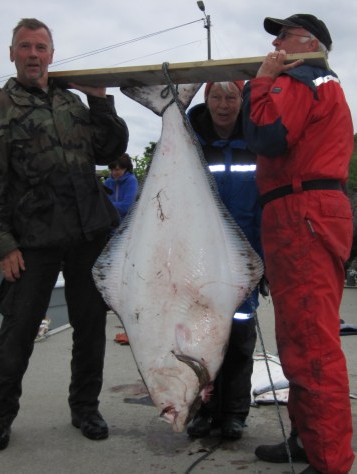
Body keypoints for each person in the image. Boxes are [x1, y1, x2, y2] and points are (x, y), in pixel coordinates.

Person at [0, 18, 128, 451]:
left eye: (41, 47)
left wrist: (100, 103)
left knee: (90, 328)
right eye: (25, 47)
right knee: (18, 332)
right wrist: (1, 246)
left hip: (86, 236)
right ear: (12, 53)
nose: (34, 55)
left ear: (52, 54)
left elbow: (110, 150)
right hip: (30, 244)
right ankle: (0, 418)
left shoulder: (70, 102)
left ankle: (85, 408)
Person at [241, 14, 355, 474]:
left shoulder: (301, 77)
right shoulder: (321, 84)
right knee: (298, 338)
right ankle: (308, 441)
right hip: (304, 210)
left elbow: (267, 135)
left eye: (283, 35)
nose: (275, 42)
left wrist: (259, 83)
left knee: (310, 343)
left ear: (309, 43)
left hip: (300, 213)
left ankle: (328, 460)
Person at [186, 81, 263, 440]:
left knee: (240, 339)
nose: (223, 104)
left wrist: (264, 260)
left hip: (244, 258)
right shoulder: (191, 146)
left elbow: (265, 202)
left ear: (241, 101)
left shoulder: (257, 140)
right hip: (201, 260)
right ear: (206, 100)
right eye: (216, 96)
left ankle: (234, 413)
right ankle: (201, 410)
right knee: (199, 341)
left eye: (231, 97)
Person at [105, 153, 138, 221]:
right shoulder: (108, 182)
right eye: (111, 169)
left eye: (117, 170)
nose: (113, 173)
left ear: (125, 168)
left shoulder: (131, 181)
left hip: (126, 226)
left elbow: (126, 207)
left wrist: (106, 205)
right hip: (109, 225)